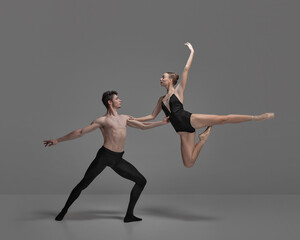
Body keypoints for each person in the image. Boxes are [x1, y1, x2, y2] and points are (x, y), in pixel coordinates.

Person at [133, 42, 274, 168]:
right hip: (181, 131)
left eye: (163, 77)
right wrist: (133, 119)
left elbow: (186, 70)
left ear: (170, 80)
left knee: (223, 119)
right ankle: (203, 140)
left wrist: (192, 52)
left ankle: (255, 117)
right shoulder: (160, 99)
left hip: (189, 119)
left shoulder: (178, 91)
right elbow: (151, 115)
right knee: (188, 163)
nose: (160, 79)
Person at [43, 90, 169, 223]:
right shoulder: (102, 120)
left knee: (141, 181)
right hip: (104, 156)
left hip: (118, 159)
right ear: (110, 102)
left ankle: (129, 215)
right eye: (117, 98)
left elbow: (143, 126)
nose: (120, 100)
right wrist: (58, 140)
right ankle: (63, 211)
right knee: (83, 184)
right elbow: (80, 132)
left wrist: (162, 122)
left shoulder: (125, 118)